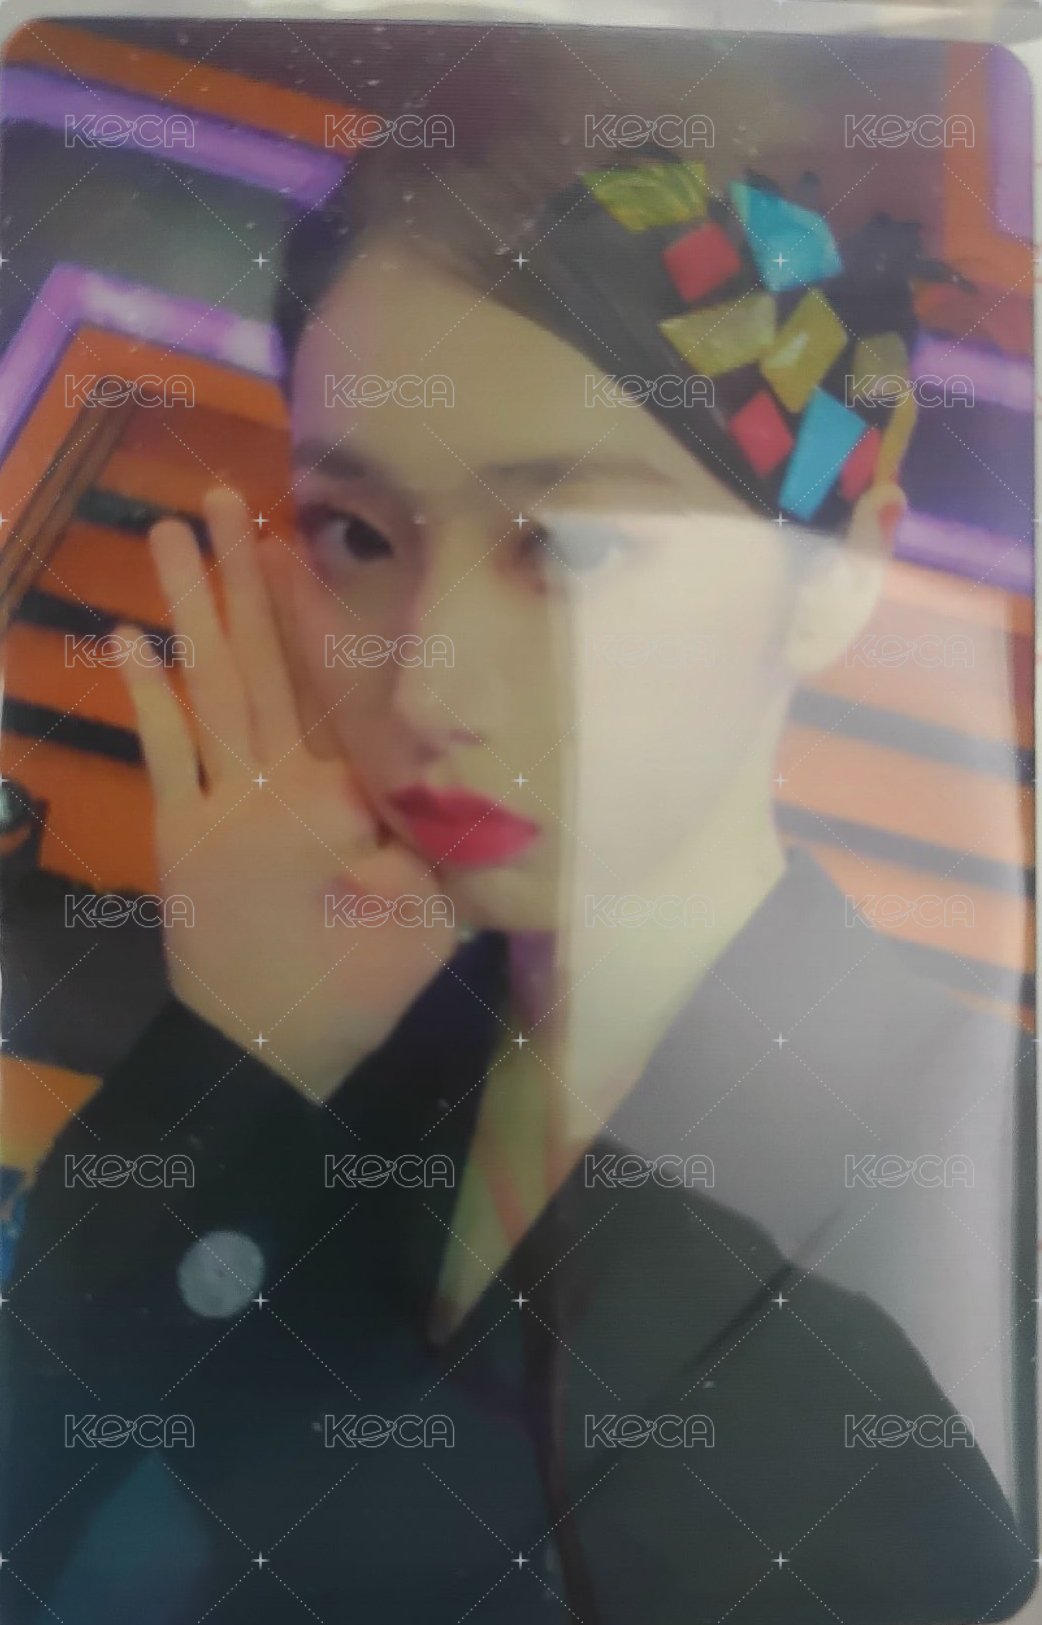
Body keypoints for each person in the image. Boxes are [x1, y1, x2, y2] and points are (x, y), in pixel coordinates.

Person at [1, 104, 1034, 1625]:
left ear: (832, 577)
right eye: (359, 535)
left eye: (570, 548)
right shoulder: (326, 1021)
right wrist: (232, 1062)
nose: (430, 684)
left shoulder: (991, 1175)